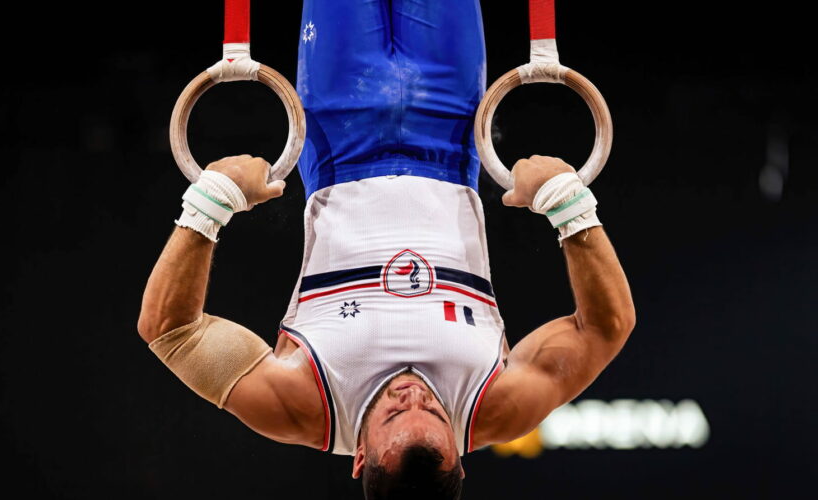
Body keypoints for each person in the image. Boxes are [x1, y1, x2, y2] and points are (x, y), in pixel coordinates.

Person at [137, 1, 635, 498]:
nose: (414, 394)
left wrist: (211, 201)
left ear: (359, 457)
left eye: (396, 412)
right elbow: (606, 329)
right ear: (461, 455)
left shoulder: (305, 406)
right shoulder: (496, 406)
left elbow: (171, 331)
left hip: (341, 129)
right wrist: (569, 207)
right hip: (448, 127)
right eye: (436, 412)